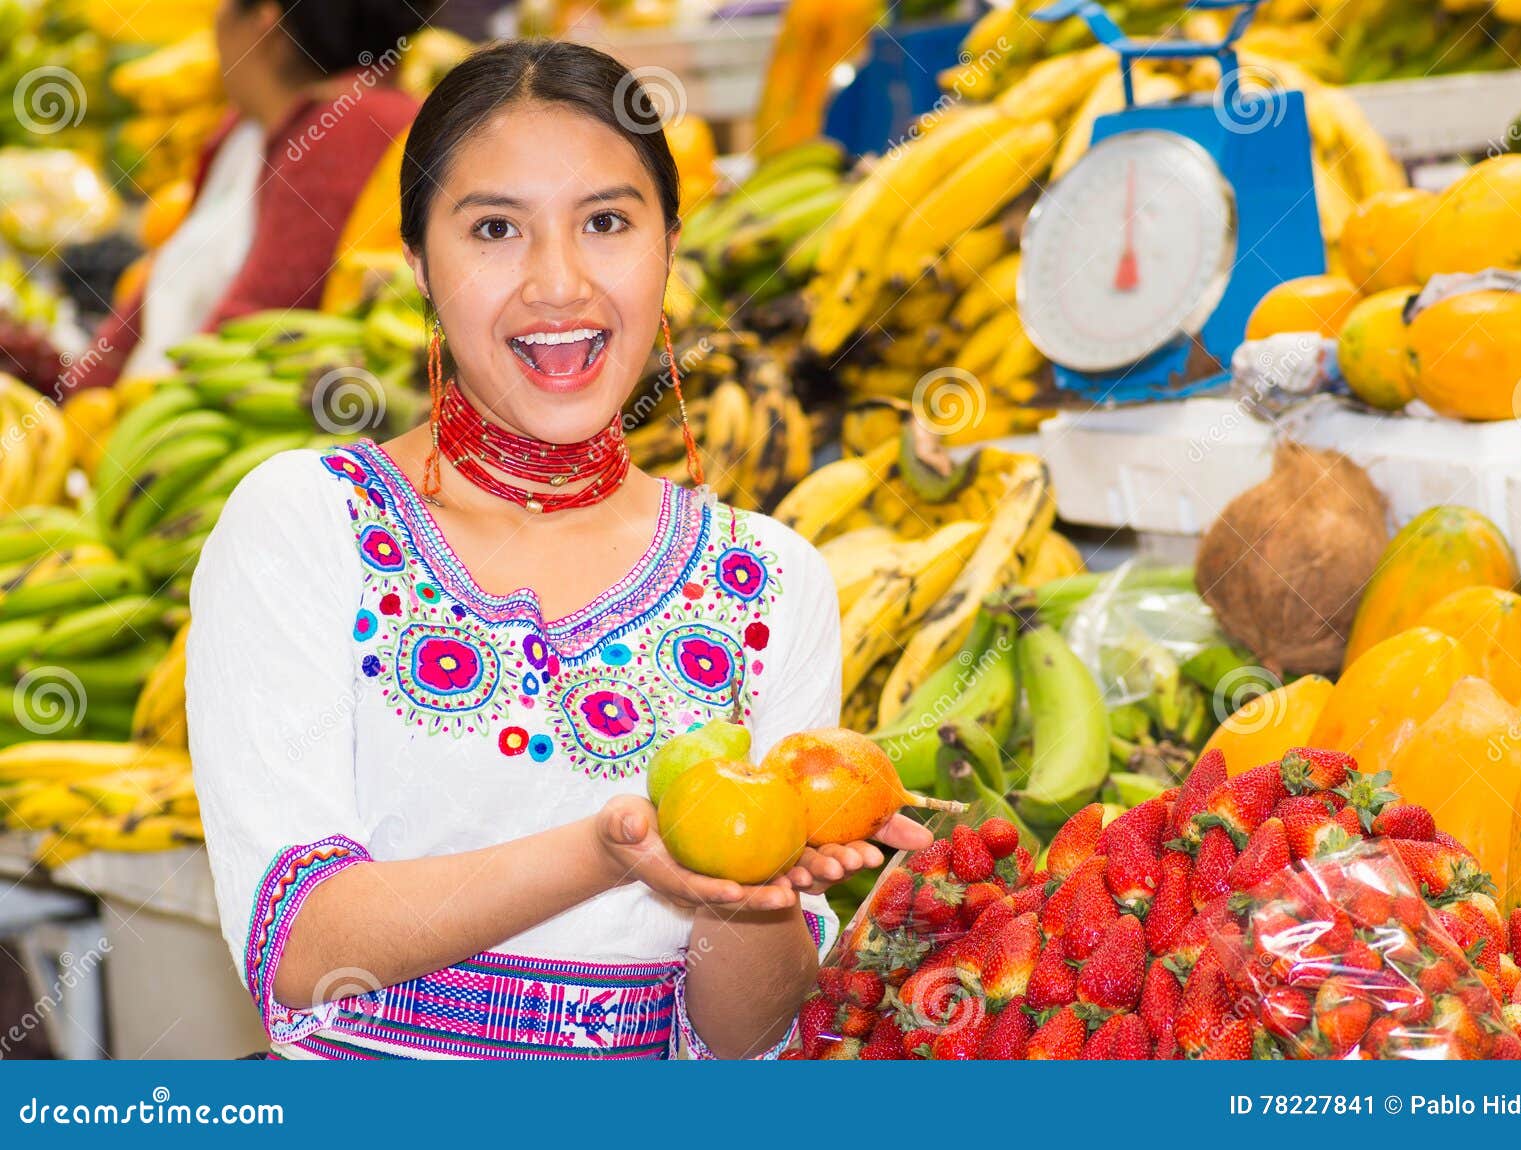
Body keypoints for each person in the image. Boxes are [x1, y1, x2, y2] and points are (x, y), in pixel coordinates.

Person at [186, 38, 930, 1061]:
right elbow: (299, 945)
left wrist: (745, 895)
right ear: (416, 263)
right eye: (495, 227)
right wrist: (609, 851)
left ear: (669, 244)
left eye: (607, 222)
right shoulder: (309, 526)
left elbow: (748, 1036)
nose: (559, 282)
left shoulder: (768, 580)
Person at [67, 0, 430, 393]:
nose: (214, 18)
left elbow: (251, 326)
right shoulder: (246, 127)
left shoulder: (355, 126)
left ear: (264, 20)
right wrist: (75, 394)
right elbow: (161, 281)